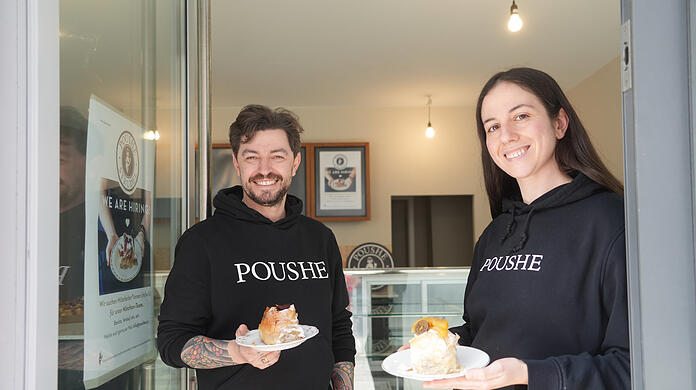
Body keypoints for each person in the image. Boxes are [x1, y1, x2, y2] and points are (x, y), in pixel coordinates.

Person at [418, 68, 630, 389]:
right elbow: (479, 331)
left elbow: (631, 365)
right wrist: (438, 349)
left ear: (559, 124)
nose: (506, 136)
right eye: (493, 126)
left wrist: (529, 374)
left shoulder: (611, 221)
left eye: (520, 116)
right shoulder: (494, 234)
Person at [157, 104, 356, 390]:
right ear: (237, 164)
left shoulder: (320, 238)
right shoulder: (201, 242)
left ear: (295, 163)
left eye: (277, 156)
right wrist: (235, 352)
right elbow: (172, 342)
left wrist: (343, 385)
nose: (265, 169)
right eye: (252, 157)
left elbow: (338, 327)